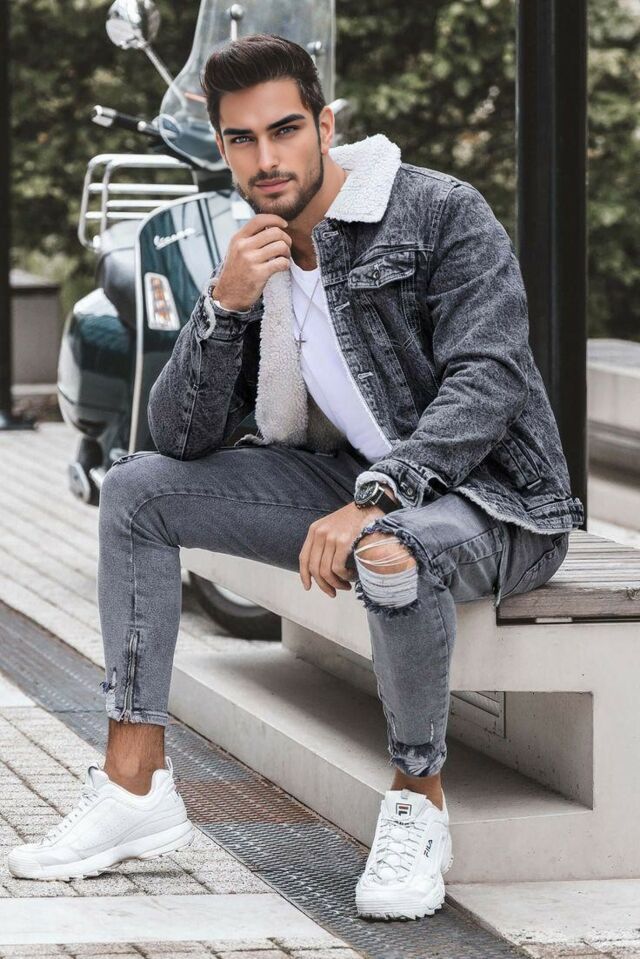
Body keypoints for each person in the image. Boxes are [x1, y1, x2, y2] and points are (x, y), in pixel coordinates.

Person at [8, 33, 584, 920]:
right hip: (352, 482)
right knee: (135, 491)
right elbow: (178, 436)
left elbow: (491, 381)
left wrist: (378, 496)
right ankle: (134, 788)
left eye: (284, 130)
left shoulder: (439, 212)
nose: (266, 158)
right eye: (242, 139)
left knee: (390, 548)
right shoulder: (258, 252)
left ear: (325, 125)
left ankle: (417, 804)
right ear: (223, 147)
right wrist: (224, 304)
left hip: (499, 498)